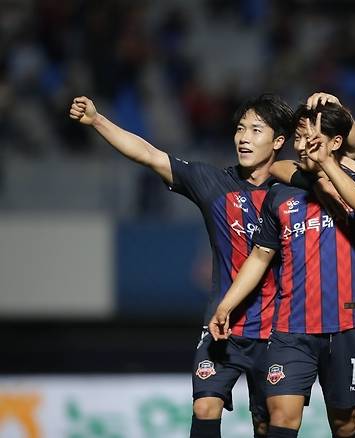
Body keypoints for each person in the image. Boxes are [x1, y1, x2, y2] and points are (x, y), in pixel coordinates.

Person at [68, 94, 295, 438]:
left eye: (256, 129)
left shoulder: (295, 192)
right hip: (223, 326)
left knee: (265, 423)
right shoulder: (212, 182)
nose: (244, 137)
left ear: (278, 141)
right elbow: (148, 155)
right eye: (240, 129)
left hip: (278, 330)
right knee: (205, 406)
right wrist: (98, 120)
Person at [208, 102, 355, 438]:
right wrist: (226, 306)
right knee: (282, 419)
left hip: (345, 327)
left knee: (345, 424)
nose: (301, 145)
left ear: (334, 143)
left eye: (311, 138)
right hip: (291, 328)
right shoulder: (280, 193)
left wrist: (327, 169)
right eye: (299, 138)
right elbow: (260, 256)